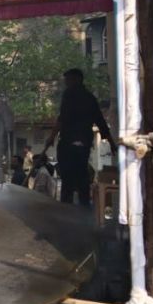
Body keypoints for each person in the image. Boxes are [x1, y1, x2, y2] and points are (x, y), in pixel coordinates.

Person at [44, 68, 118, 206]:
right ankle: (84, 205)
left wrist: (52, 136)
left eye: (69, 80)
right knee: (81, 175)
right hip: (83, 142)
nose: (67, 83)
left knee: (67, 178)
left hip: (69, 141)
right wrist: (111, 143)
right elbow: (100, 121)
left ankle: (67, 206)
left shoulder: (70, 94)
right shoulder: (90, 98)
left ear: (77, 79)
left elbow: (62, 118)